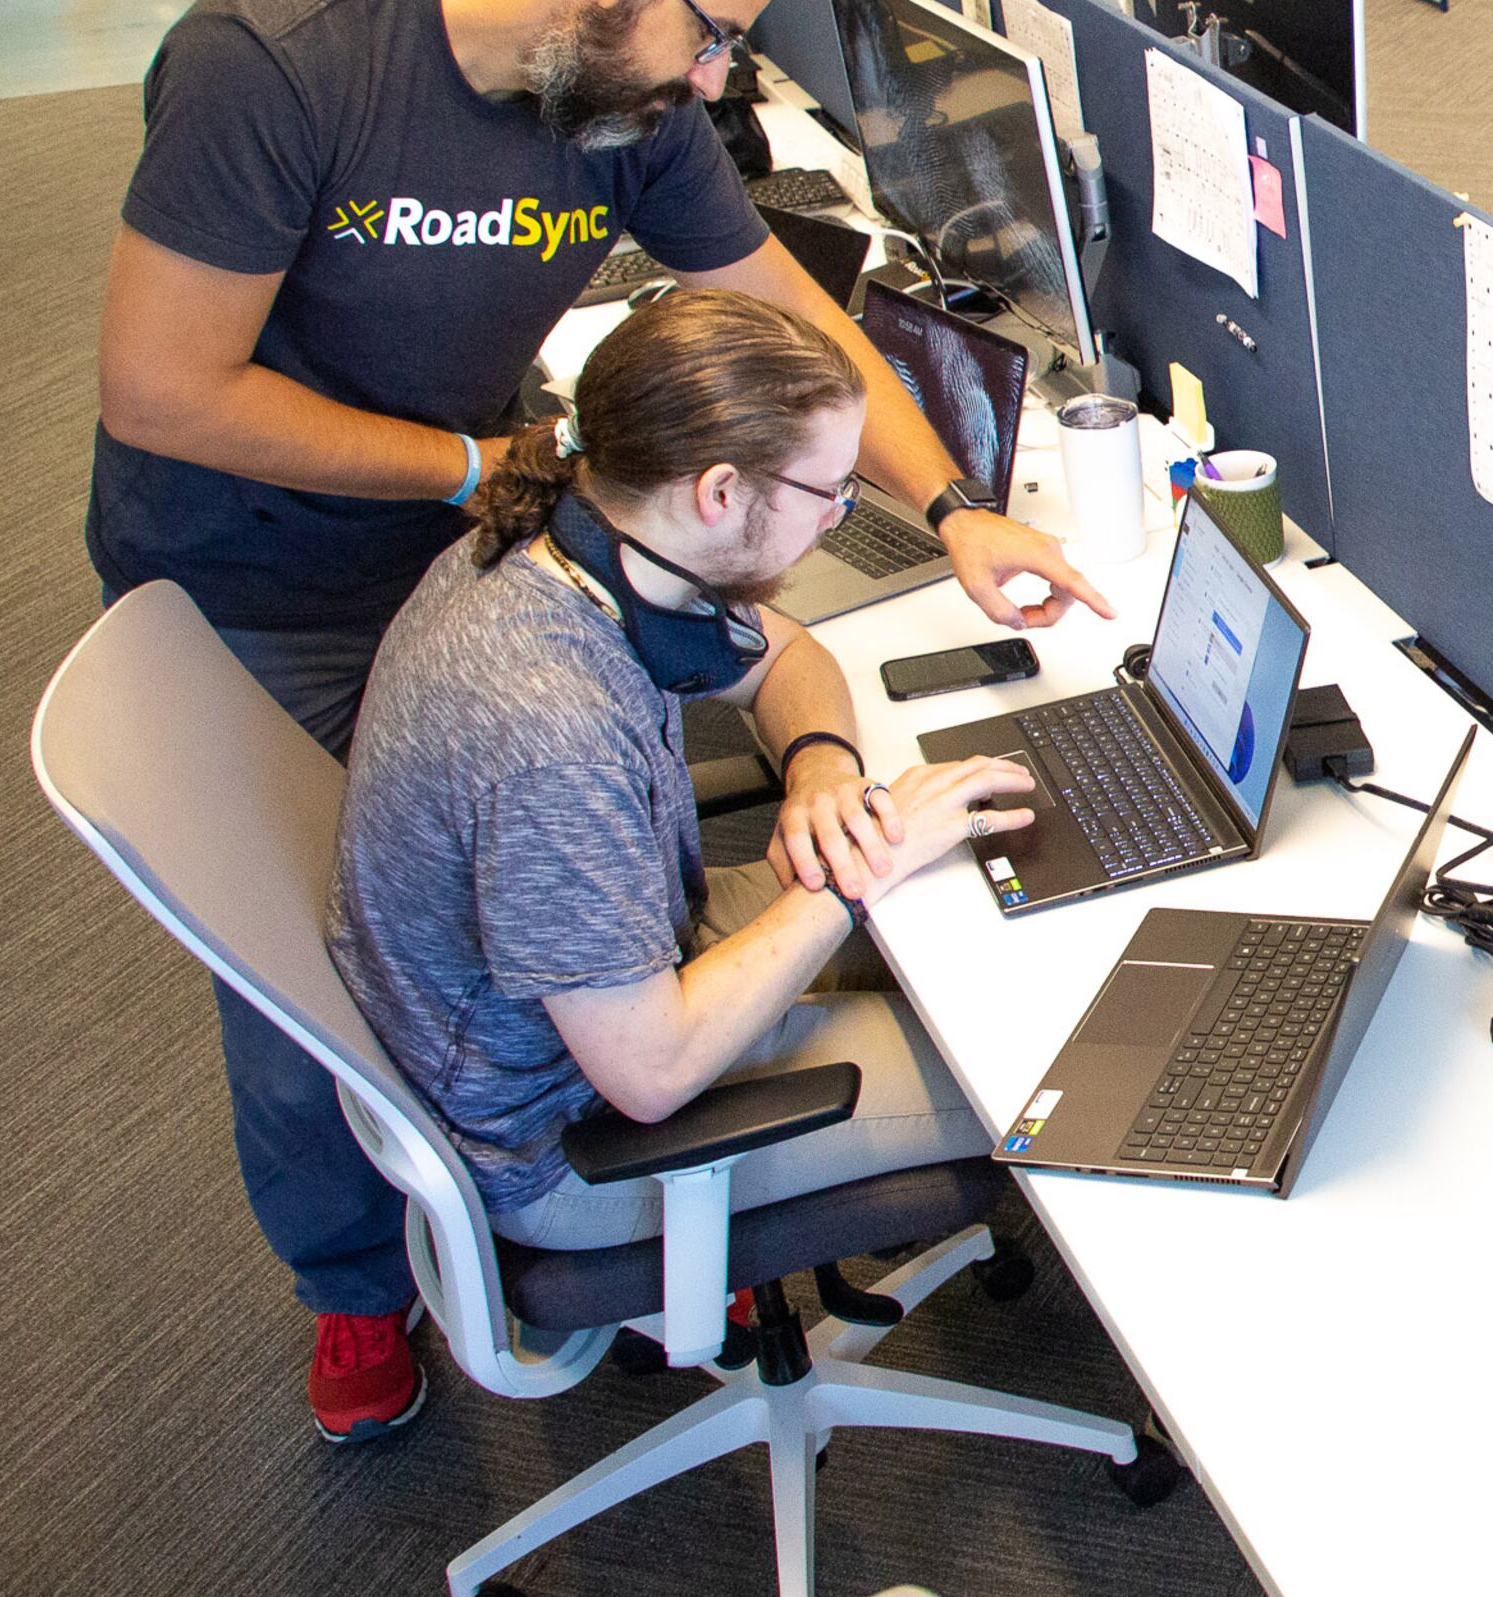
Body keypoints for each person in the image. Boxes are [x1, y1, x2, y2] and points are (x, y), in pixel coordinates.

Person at [89, 0, 1108, 1440]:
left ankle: (609, 1170)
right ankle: (363, 1295)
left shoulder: (615, 97)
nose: (717, 81)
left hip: (468, 540)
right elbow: (162, 389)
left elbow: (797, 321)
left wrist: (959, 513)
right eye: (712, 36)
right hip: (257, 564)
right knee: (306, 962)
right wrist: (477, 464)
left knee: (471, 889)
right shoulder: (280, 68)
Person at [330, 290, 1033, 1289]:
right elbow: (650, 1075)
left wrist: (820, 770)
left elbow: (790, 660)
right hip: (581, 1133)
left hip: (627, 968)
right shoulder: (551, 738)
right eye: (827, 492)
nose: (838, 520)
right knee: (1027, 1070)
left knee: (983, 916)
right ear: (716, 491)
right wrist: (853, 877)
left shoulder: (576, 545)